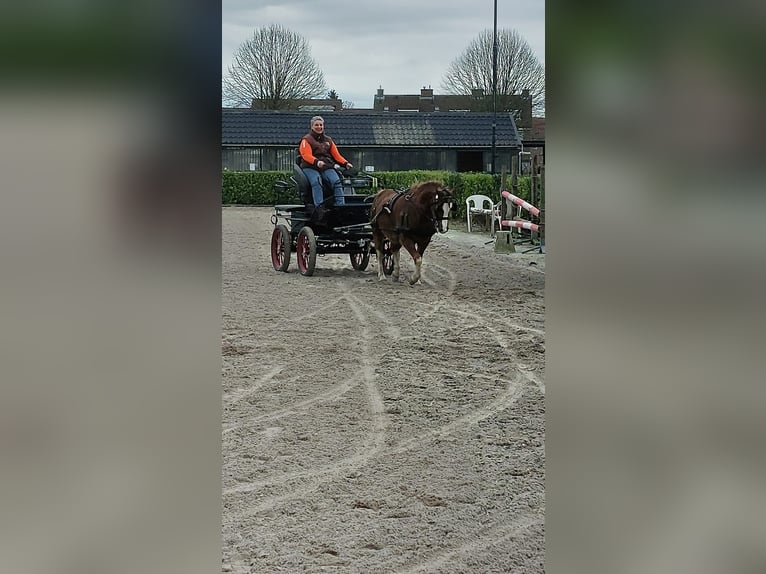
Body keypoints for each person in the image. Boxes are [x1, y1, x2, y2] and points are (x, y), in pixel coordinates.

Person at [298, 116, 353, 206]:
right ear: (312, 127)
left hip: (326, 166)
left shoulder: (328, 140)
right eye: (316, 125)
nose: (319, 127)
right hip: (310, 167)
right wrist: (316, 162)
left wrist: (345, 163)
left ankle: (340, 206)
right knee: (316, 182)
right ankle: (319, 208)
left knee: (336, 182)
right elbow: (306, 155)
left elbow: (336, 155)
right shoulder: (306, 140)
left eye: (321, 125)